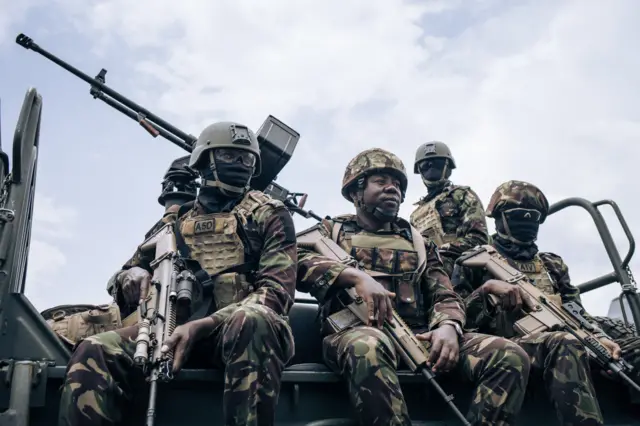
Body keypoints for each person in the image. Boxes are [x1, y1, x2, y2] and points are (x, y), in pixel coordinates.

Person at [57, 121, 298, 426]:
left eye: (247, 159)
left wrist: (202, 326)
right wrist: (129, 276)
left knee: (254, 320)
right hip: (169, 330)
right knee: (95, 349)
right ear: (204, 162)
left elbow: (275, 293)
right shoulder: (176, 220)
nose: (240, 165)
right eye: (229, 156)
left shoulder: (269, 213)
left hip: (234, 332)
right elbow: (123, 275)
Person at [296, 148, 530, 426]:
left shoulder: (418, 242)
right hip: (354, 334)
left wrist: (448, 327)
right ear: (356, 190)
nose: (391, 189)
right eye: (381, 181)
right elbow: (294, 261)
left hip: (418, 336)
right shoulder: (329, 232)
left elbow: (445, 294)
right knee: (368, 346)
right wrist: (355, 277)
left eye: (397, 184)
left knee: (508, 355)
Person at [451, 179, 636, 426]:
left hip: (565, 335)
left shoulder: (551, 265)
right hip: (502, 343)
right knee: (566, 342)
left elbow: (576, 311)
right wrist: (486, 293)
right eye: (519, 216)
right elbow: (455, 312)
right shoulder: (474, 261)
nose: (526, 222)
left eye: (533, 217)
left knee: (627, 348)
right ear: (499, 219)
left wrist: (598, 337)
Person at [410, 141, 489, 276]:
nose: (431, 168)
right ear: (420, 171)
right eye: (425, 165)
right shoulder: (415, 214)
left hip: (460, 270)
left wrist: (440, 250)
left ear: (448, 167)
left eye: (437, 164)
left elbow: (478, 239)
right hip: (426, 271)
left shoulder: (461, 195)